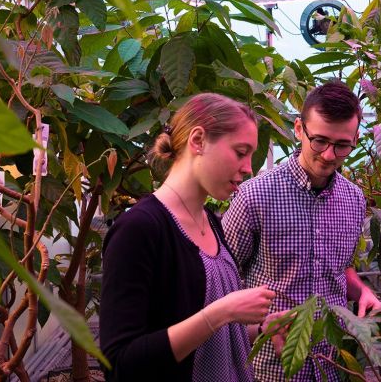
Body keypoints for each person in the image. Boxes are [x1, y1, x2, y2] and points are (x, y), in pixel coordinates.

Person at [100, 93, 276, 381]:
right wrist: (223, 311)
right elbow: (120, 364)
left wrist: (261, 329)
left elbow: (207, 340)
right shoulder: (139, 230)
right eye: (240, 152)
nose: (248, 168)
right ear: (198, 141)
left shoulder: (211, 222)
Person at [222, 81, 381, 382]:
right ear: (299, 129)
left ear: (355, 139)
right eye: (319, 141)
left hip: (332, 365)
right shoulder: (255, 196)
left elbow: (340, 269)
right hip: (269, 367)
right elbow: (222, 280)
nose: (329, 155)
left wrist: (363, 292)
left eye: (342, 145)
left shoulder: (353, 199)